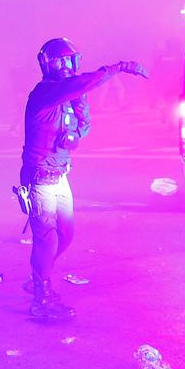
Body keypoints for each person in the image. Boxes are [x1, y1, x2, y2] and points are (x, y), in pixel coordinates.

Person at [20, 39, 147, 320]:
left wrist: (75, 136)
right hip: (40, 177)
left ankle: (39, 276)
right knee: (47, 238)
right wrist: (120, 67)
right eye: (59, 61)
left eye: (69, 60)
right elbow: (82, 84)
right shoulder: (46, 92)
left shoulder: (70, 97)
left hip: (60, 174)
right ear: (46, 64)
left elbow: (81, 129)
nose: (65, 66)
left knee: (67, 233)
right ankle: (41, 297)